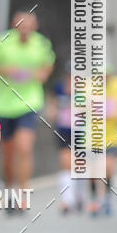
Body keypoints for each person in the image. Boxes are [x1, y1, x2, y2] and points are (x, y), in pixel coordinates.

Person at [0, 11, 55, 212]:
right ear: (14, 26)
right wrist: (6, 71)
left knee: (24, 147)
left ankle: (23, 194)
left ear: (35, 26)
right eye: (20, 25)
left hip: (29, 104)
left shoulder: (41, 44)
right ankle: (9, 190)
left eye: (28, 25)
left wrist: (42, 73)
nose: (24, 29)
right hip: (3, 105)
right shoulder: (1, 42)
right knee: (7, 154)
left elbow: (48, 66)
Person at [89, 64, 117, 216]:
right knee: (94, 171)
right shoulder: (88, 87)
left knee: (107, 168)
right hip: (93, 134)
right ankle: (96, 198)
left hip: (113, 134)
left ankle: (105, 197)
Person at [46, 63, 85, 214]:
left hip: (81, 132)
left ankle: (79, 196)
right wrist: (54, 112)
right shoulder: (59, 89)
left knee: (78, 165)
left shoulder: (85, 90)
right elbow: (52, 108)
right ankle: (66, 201)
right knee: (65, 164)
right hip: (64, 131)